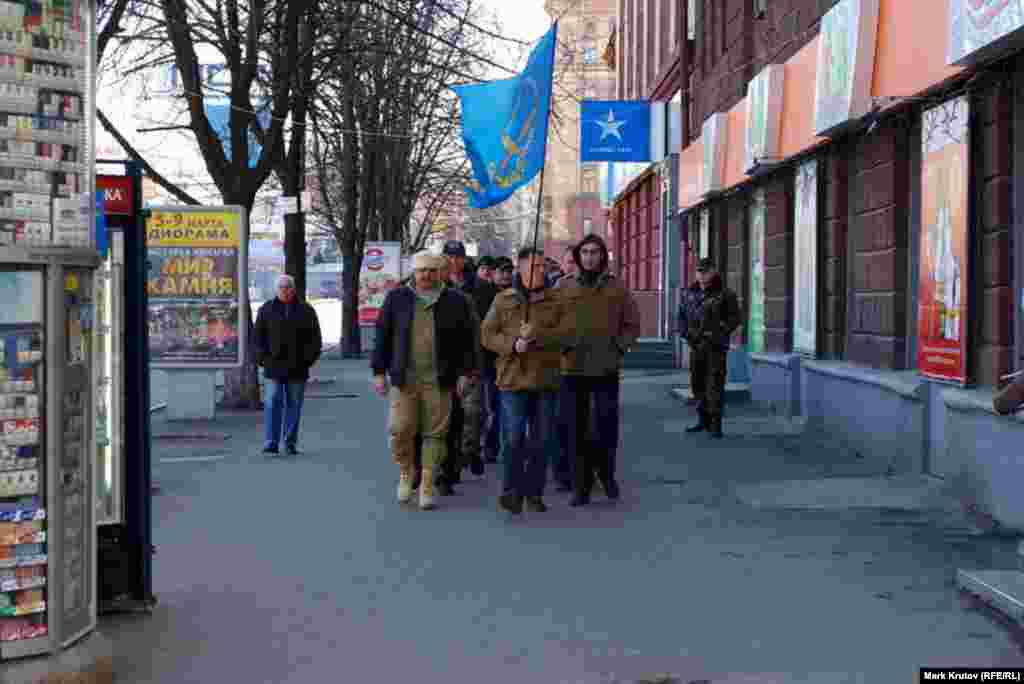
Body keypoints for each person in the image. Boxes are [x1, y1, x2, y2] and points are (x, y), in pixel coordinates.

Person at [371, 251, 479, 510]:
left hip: (439, 381)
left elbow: (468, 340)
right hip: (404, 379)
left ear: (440, 272)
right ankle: (407, 472)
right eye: (422, 271)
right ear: (414, 272)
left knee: (435, 434)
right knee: (399, 429)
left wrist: (466, 373)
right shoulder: (397, 297)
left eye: (432, 270)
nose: (426, 275)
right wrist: (378, 371)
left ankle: (427, 484)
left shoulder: (455, 300)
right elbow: (383, 334)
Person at [557, 233, 641, 506]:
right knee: (577, 429)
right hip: (573, 368)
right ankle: (581, 485)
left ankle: (607, 475)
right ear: (579, 257)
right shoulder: (564, 286)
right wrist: (561, 346)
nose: (590, 257)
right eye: (585, 252)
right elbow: (550, 322)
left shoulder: (616, 287)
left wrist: (620, 347)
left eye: (595, 252)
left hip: (605, 367)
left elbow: (632, 323)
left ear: (602, 256)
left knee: (606, 425)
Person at [481, 247, 564, 514]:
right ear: (521, 268)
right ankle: (511, 491)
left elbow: (567, 336)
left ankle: (534, 492)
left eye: (543, 266)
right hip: (513, 380)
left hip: (544, 380)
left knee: (542, 440)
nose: (540, 271)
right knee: (513, 438)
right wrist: (512, 344)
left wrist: (537, 334)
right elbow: (487, 335)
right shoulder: (504, 299)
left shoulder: (555, 299)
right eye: (534, 266)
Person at [442, 240, 496, 481]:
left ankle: (470, 450)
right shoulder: (435, 284)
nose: (453, 261)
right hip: (443, 359)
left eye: (457, 257)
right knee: (448, 414)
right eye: (449, 256)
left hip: (474, 357)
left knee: (474, 412)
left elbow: (493, 321)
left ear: (464, 259)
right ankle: (452, 461)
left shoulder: (482, 287)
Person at [254, 274, 323, 456]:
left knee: (294, 405)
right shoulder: (266, 309)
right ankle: (271, 442)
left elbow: (315, 339)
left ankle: (290, 442)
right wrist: (263, 359)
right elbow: (257, 338)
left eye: (288, 287)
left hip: (297, 367)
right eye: (281, 287)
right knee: (272, 402)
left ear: (294, 289)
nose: (285, 290)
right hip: (273, 366)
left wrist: (307, 359)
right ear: (276, 290)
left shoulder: (306, 310)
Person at [682, 258, 742, 439]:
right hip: (696, 345)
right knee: (697, 384)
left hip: (715, 347)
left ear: (713, 272)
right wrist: (686, 333)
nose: (702, 275)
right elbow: (681, 316)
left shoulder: (724, 294)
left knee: (714, 385)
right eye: (699, 271)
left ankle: (715, 425)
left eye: (705, 271)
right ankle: (703, 420)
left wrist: (719, 331)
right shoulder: (689, 293)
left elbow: (735, 318)